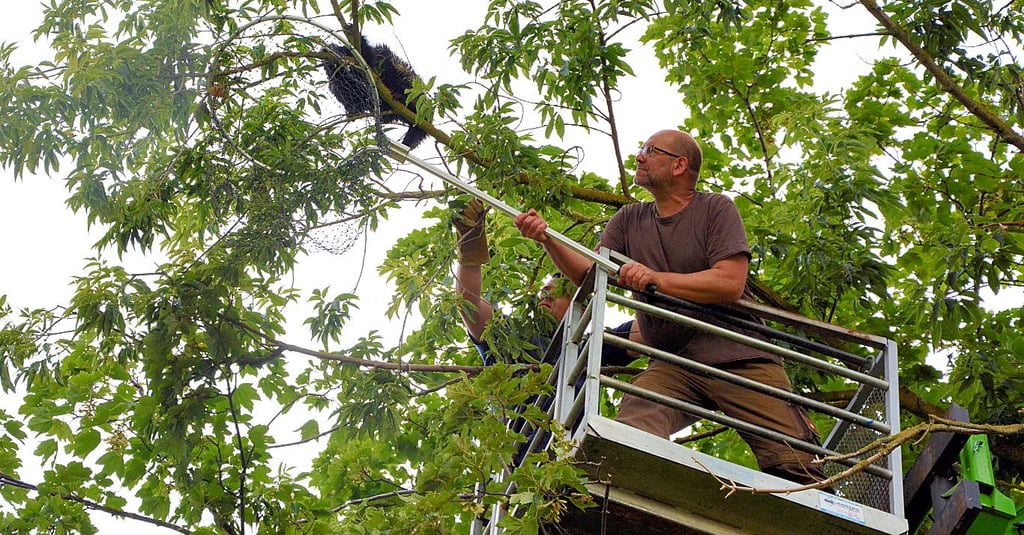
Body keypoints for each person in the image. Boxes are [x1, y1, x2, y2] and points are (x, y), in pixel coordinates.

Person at [513, 129, 827, 486]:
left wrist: (657, 279)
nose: (639, 157)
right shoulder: (629, 219)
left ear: (680, 165)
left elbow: (729, 281)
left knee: (795, 464)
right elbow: (589, 273)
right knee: (631, 435)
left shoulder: (715, 208)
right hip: (673, 363)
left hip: (739, 357)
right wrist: (546, 237)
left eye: (649, 151)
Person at [451, 197, 636, 367]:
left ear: (582, 307)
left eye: (559, 293)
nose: (547, 296)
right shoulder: (512, 335)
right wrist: (471, 245)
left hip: (568, 403)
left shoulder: (593, 349)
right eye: (545, 291)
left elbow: (649, 331)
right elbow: (469, 303)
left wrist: (649, 272)